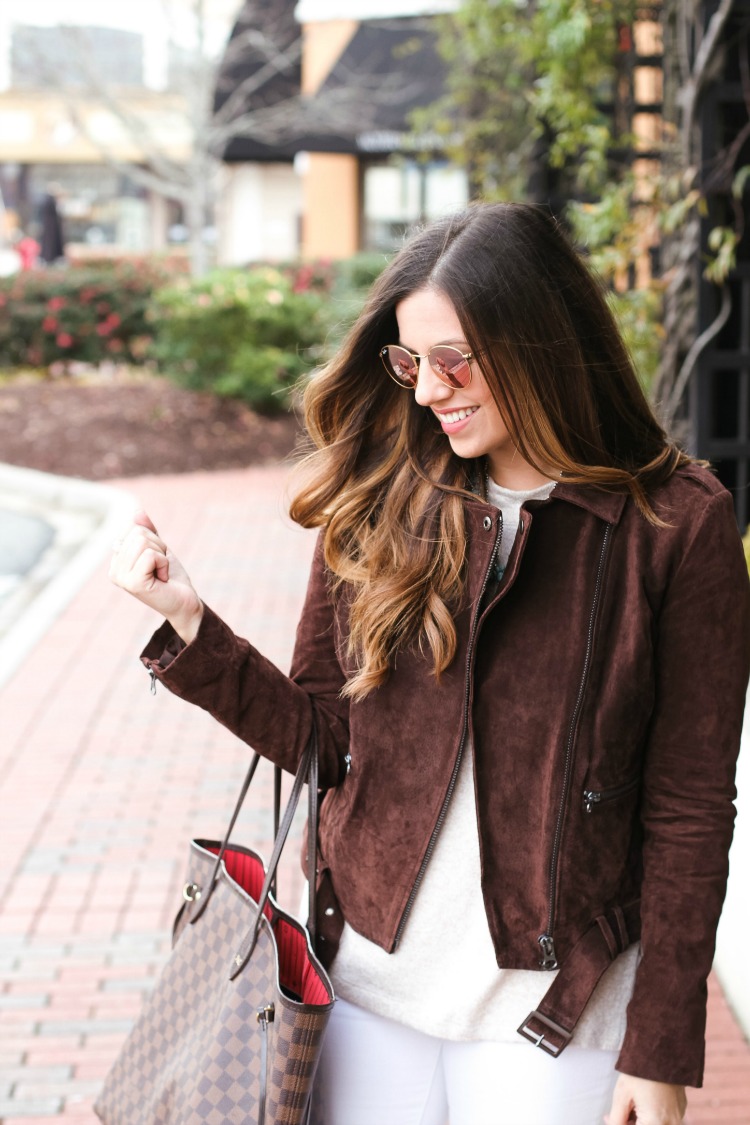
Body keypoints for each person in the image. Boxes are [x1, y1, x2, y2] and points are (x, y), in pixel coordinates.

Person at [110, 203, 750, 1125]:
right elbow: (323, 740)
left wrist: (662, 1045)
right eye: (410, 362)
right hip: (368, 992)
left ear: (539, 342)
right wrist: (190, 626)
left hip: (555, 1016)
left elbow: (690, 807)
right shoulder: (378, 500)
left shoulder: (672, 527)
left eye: (455, 360)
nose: (427, 390)